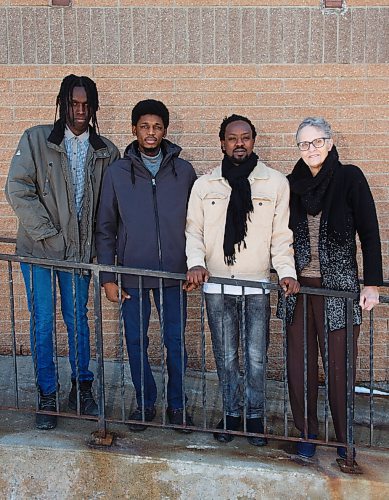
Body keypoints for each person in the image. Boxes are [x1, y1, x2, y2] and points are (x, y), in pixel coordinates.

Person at [6, 74, 120, 430]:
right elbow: (18, 188)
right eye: (74, 104)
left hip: (80, 257)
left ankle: (82, 388)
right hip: (40, 253)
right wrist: (50, 236)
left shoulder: (107, 151)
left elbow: (107, 208)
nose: (80, 111)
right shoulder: (36, 139)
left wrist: (100, 252)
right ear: (63, 104)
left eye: (86, 105)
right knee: (42, 321)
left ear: (94, 107)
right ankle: (47, 395)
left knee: (78, 321)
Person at [185, 114, 299, 446]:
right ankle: (232, 414)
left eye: (245, 137)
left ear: (253, 140)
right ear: (222, 142)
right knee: (225, 355)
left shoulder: (275, 182)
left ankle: (255, 417)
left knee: (256, 355)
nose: (239, 143)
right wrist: (195, 263)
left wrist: (287, 272)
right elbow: (194, 231)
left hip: (257, 285)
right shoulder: (205, 185)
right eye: (232, 138)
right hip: (218, 284)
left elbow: (281, 236)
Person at [283, 117, 382, 461]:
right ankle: (307, 433)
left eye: (317, 142)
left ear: (330, 141)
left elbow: (369, 232)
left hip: (339, 292)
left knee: (339, 366)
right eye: (303, 144)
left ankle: (344, 439)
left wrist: (371, 283)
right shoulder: (290, 183)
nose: (310, 150)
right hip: (298, 292)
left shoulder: (349, 177)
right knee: (300, 366)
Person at [95, 99, 197, 432]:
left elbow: (197, 224)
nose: (150, 132)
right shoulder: (117, 173)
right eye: (144, 126)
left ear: (165, 130)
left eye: (156, 126)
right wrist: (109, 276)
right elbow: (106, 227)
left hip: (173, 277)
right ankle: (144, 403)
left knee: (175, 343)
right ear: (134, 130)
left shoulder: (183, 172)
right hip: (132, 277)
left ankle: (178, 405)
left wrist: (194, 265)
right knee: (136, 343)